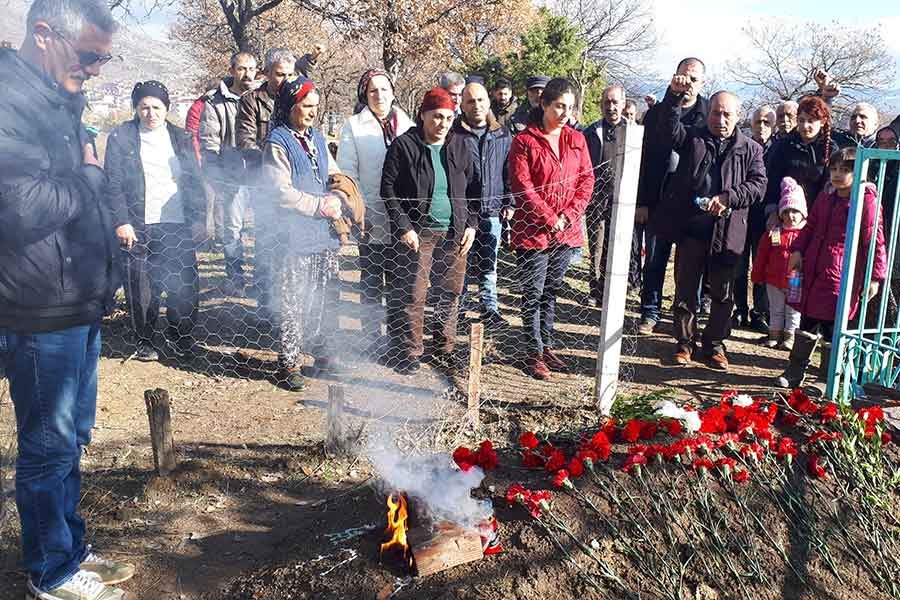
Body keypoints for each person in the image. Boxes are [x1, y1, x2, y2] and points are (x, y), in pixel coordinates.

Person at [0, 0, 136, 597]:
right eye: (89, 56)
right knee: (47, 443)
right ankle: (49, 573)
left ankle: (71, 548)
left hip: (78, 296)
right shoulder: (8, 101)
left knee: (72, 437)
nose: (97, 69)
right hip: (36, 306)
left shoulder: (63, 98)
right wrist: (88, 177)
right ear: (44, 34)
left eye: (105, 58)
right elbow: (20, 209)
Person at [649, 81, 767, 371]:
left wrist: (729, 197)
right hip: (692, 228)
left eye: (727, 114)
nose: (721, 119)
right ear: (708, 113)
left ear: (738, 115)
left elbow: (759, 186)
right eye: (716, 113)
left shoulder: (751, 149)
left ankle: (714, 344)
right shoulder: (693, 138)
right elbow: (667, 128)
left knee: (723, 294)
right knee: (686, 290)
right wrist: (674, 97)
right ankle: (684, 343)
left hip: (729, 232)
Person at [105, 81, 206, 361]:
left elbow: (195, 182)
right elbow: (112, 184)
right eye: (144, 107)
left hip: (176, 222)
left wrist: (198, 218)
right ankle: (145, 341)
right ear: (136, 109)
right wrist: (121, 221)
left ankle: (182, 337)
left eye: (157, 107)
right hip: (138, 224)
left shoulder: (180, 138)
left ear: (167, 108)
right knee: (141, 285)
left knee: (183, 282)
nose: (150, 113)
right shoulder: (121, 137)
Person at [381, 88, 479, 375]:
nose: (443, 123)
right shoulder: (404, 145)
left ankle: (444, 349)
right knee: (414, 294)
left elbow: (475, 190)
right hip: (417, 234)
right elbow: (388, 190)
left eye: (449, 118)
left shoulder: (461, 146)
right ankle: (409, 352)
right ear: (423, 115)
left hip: (455, 232)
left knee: (450, 293)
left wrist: (471, 225)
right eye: (437, 117)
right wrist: (404, 227)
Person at [260, 76, 348, 391]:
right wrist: (317, 205)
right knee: (293, 301)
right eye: (306, 106)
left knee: (326, 299)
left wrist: (339, 196)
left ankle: (323, 357)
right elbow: (279, 191)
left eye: (315, 107)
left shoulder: (318, 138)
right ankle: (289, 364)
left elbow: (334, 175)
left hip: (322, 236)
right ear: (290, 106)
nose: (313, 112)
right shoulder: (277, 142)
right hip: (292, 237)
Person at [776, 147, 886, 388]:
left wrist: (876, 277)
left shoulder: (866, 201)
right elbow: (810, 225)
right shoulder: (826, 196)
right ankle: (795, 371)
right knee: (807, 321)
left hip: (841, 274)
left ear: (859, 173)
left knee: (832, 326)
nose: (837, 175)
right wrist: (797, 250)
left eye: (845, 170)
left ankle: (828, 377)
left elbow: (874, 240)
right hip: (814, 269)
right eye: (834, 169)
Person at [508, 78, 595, 380]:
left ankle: (547, 345)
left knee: (551, 291)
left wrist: (569, 215)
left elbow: (586, 180)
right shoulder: (525, 141)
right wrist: (549, 217)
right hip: (533, 230)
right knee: (532, 292)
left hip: (566, 231)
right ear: (544, 104)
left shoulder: (576, 139)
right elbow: (522, 185)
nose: (564, 113)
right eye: (559, 106)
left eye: (570, 108)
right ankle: (532, 352)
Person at [337, 68, 414, 353]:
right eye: (373, 90)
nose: (379, 95)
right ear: (364, 95)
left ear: (393, 92)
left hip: (403, 217)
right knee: (371, 280)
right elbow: (348, 174)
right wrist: (359, 213)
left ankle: (396, 340)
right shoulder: (353, 126)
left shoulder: (407, 124)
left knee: (399, 281)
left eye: (384, 89)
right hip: (370, 216)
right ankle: (370, 338)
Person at [636, 57, 710, 334]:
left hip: (692, 202)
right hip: (658, 198)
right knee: (654, 261)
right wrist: (642, 201)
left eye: (694, 79)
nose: (688, 83)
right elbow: (646, 159)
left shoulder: (707, 114)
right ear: (674, 77)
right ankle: (649, 311)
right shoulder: (658, 112)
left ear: (702, 82)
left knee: (691, 266)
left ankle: (687, 317)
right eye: (683, 77)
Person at [236, 48, 295, 310]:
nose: (286, 80)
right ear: (267, 73)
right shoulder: (251, 100)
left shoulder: (297, 98)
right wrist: (273, 163)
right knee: (266, 242)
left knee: (291, 242)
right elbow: (245, 141)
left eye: (291, 74)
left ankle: (289, 299)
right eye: (280, 74)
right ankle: (263, 304)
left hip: (294, 186)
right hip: (263, 183)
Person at [454, 82, 514, 328]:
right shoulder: (455, 134)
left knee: (489, 263)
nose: (476, 105)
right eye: (470, 101)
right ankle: (458, 308)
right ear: (462, 105)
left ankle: (489, 308)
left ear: (488, 102)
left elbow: (510, 171)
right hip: (463, 210)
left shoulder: (502, 134)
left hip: (492, 209)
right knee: (462, 261)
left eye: (480, 100)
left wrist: (510, 200)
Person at [199, 51, 258, 294]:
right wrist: (218, 178)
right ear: (232, 70)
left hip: (261, 174)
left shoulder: (261, 97)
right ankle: (236, 279)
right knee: (233, 231)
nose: (247, 74)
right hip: (232, 177)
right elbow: (209, 145)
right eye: (242, 69)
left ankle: (265, 281)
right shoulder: (215, 104)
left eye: (252, 69)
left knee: (267, 227)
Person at [732, 104, 777, 331]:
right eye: (758, 121)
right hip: (741, 213)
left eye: (767, 122)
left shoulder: (778, 149)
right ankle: (739, 308)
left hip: (766, 218)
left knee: (763, 266)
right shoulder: (742, 147)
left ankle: (760, 312)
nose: (762, 126)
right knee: (738, 265)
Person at [583, 84, 628, 304]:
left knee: (615, 246)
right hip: (595, 200)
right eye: (607, 102)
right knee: (596, 247)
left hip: (622, 200)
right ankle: (595, 290)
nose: (611, 107)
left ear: (623, 103)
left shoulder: (633, 132)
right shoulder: (591, 132)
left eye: (615, 102)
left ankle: (611, 290)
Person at [750, 177, 807, 350]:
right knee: (776, 309)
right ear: (781, 213)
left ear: (802, 213)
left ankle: (790, 338)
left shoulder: (806, 235)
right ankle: (774, 335)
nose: (791, 216)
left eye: (795, 212)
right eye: (787, 211)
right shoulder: (774, 233)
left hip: (795, 280)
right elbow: (762, 254)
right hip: (773, 280)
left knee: (793, 311)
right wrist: (757, 274)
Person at [763, 95, 833, 228]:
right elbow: (772, 181)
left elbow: (828, 188)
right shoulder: (783, 146)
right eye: (801, 120)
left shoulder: (830, 149)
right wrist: (772, 212)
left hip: (816, 218)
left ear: (822, 122)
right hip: (784, 216)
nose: (805, 126)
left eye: (811, 121)